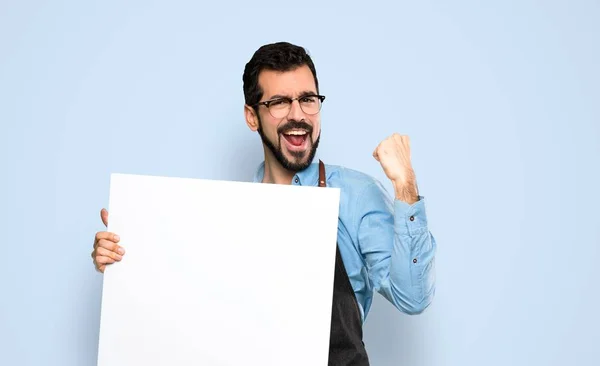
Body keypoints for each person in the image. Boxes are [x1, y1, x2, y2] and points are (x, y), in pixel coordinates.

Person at [91, 42, 437, 365]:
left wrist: (405, 185)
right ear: (252, 116)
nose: (298, 114)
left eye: (308, 99)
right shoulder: (222, 215)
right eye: (279, 102)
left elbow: (412, 297)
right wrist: (125, 260)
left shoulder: (356, 194)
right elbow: (188, 315)